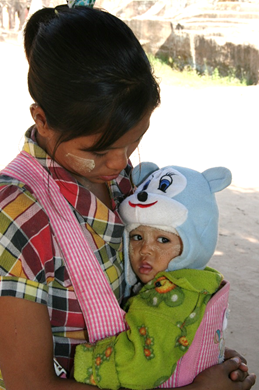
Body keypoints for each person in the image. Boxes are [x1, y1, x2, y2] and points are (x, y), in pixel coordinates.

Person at [0, 3, 255, 390]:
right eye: (98, 152)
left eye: (133, 141)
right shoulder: (17, 216)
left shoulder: (129, 185)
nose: (119, 165)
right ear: (41, 119)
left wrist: (192, 350)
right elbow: (31, 384)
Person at [73, 164, 234, 388]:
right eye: (137, 237)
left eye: (163, 240)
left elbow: (136, 369)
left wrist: (80, 361)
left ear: (193, 245)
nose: (145, 250)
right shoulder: (197, 283)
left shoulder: (166, 298)